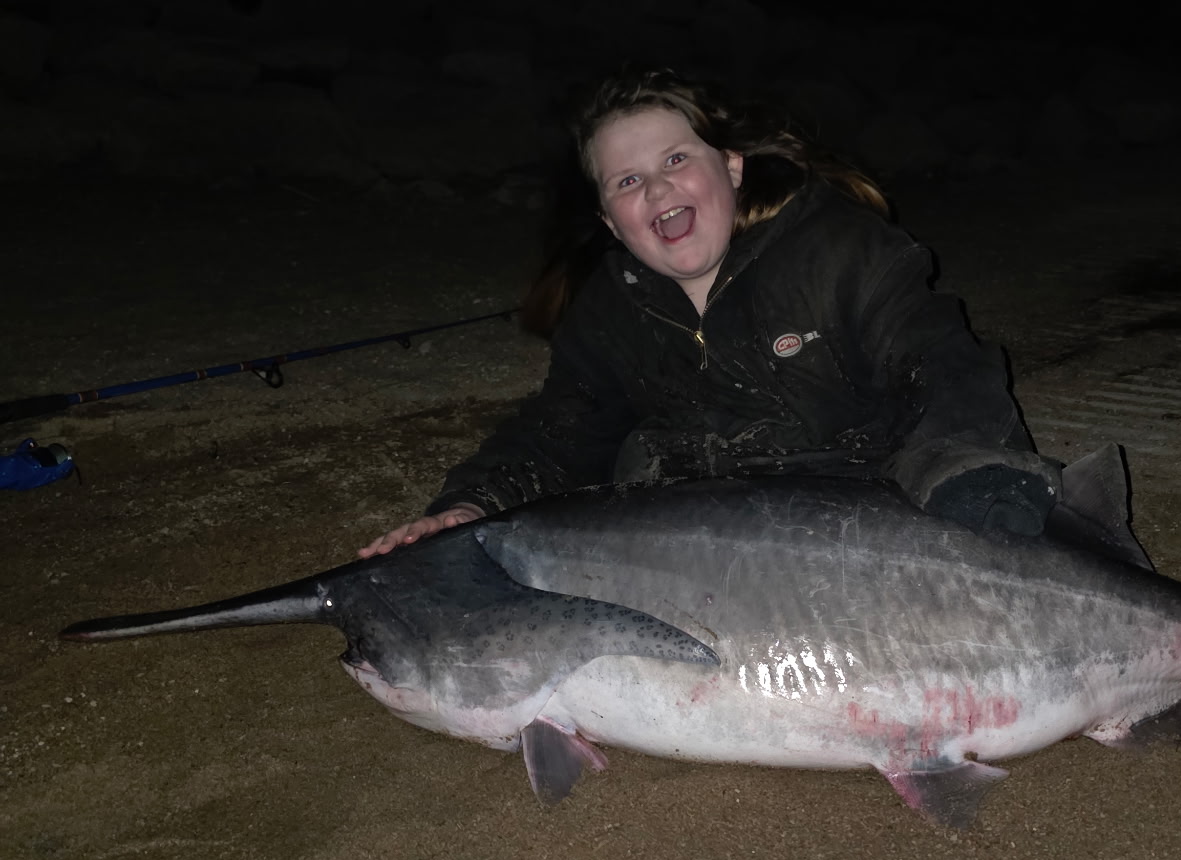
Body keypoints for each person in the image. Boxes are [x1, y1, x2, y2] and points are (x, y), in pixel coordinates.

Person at [359, 71, 1059, 557]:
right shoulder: (606, 313)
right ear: (610, 221)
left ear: (730, 167)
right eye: (628, 180)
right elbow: (560, 434)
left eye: (675, 159)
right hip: (705, 548)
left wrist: (973, 493)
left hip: (864, 527)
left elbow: (944, 370)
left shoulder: (842, 254)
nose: (657, 186)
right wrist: (470, 506)